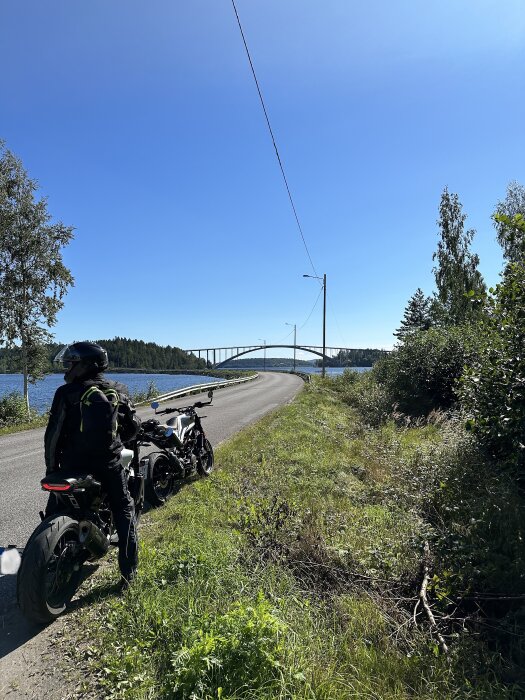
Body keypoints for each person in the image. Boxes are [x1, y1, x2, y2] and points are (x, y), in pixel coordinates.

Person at [44, 341, 138, 586]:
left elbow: (53, 435)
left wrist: (52, 468)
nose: (67, 368)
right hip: (108, 464)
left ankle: (47, 558)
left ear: (87, 365)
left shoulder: (66, 393)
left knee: (56, 507)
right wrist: (119, 441)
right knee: (124, 511)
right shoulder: (118, 390)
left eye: (71, 363)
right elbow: (133, 426)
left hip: (71, 464)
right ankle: (128, 576)